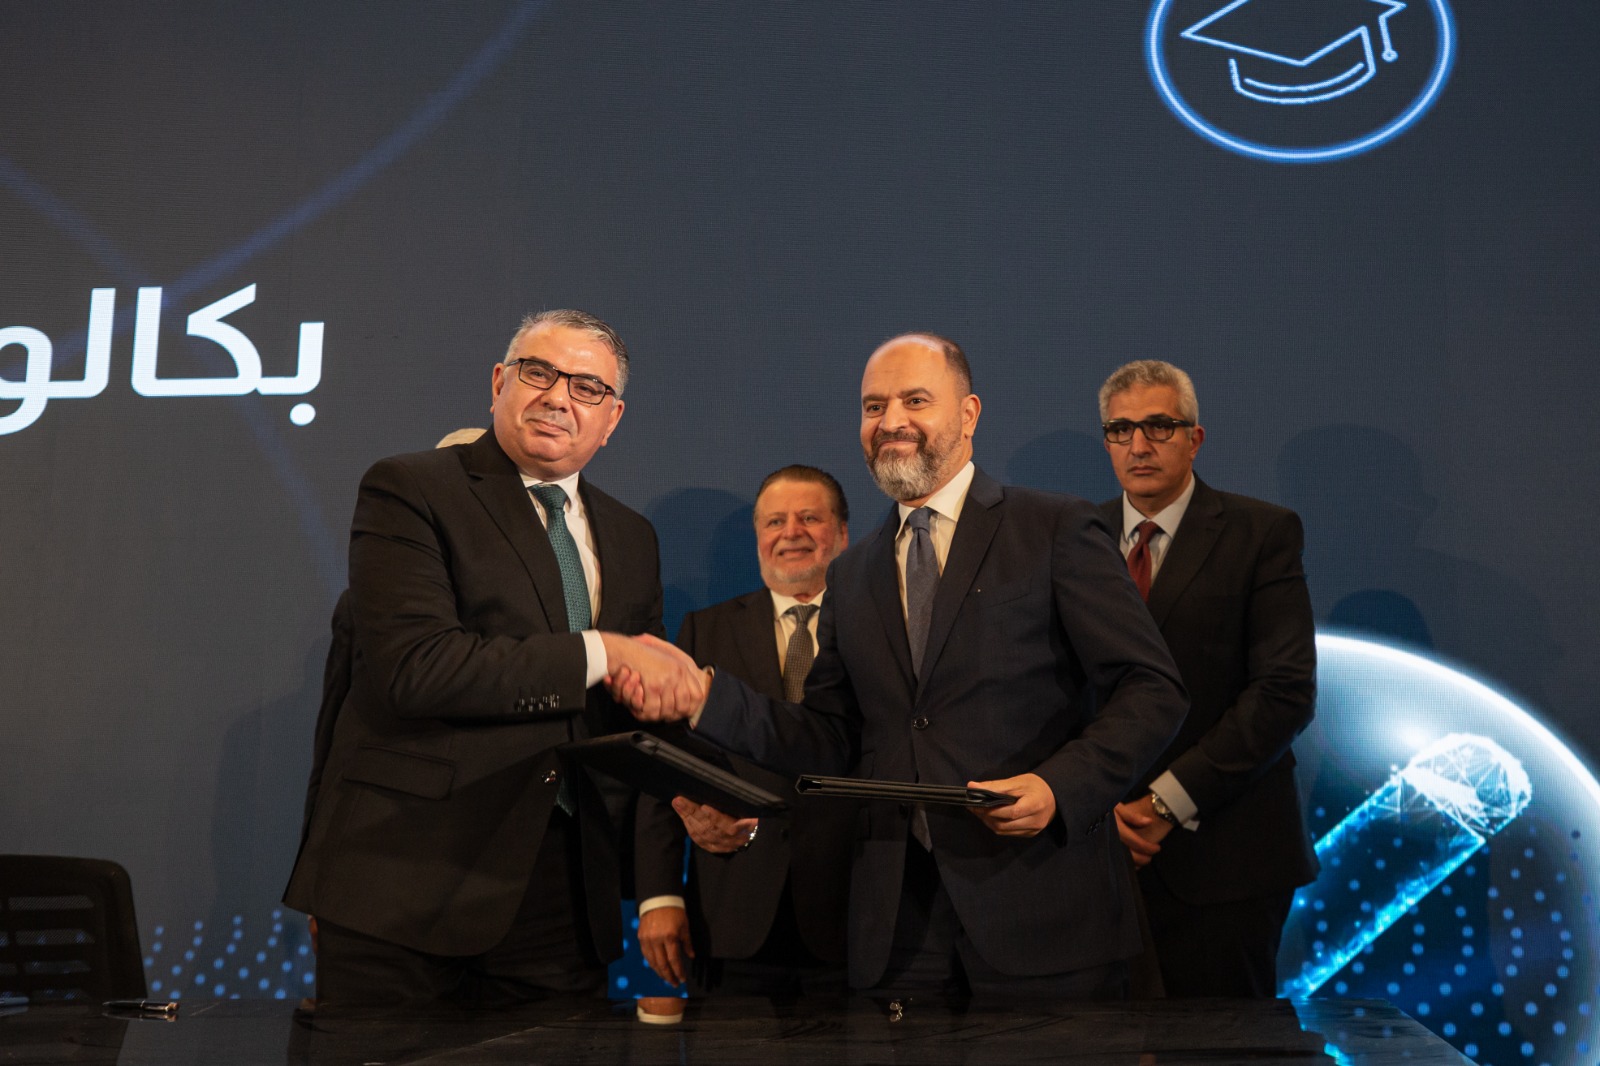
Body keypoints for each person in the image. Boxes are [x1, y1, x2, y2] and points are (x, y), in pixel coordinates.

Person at [616, 333, 1187, 998]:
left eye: (916, 401)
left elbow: (1153, 689)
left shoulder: (1054, 527)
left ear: (969, 415)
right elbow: (830, 735)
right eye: (873, 406)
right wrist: (705, 697)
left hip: (1043, 909)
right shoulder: (853, 572)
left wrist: (1060, 786)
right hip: (897, 929)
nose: (890, 421)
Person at [283, 309, 705, 1007]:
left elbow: (627, 708)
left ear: (612, 418)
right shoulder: (411, 488)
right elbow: (418, 669)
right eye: (539, 373)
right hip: (406, 882)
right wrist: (602, 650)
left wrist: (697, 795)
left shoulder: (632, 537)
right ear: (499, 383)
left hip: (563, 901)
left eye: (587, 388)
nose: (558, 396)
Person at [1097, 359, 1318, 998]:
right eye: (1121, 429)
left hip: (1225, 859)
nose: (1139, 445)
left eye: (1159, 426)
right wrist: (1096, 808)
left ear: (1194, 438)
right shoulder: (1074, 537)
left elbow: (1284, 692)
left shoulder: (1262, 533)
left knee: (1222, 1044)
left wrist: (1164, 804)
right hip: (1098, 855)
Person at [634, 466, 856, 997]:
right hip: (732, 913)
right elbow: (664, 766)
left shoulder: (878, 626)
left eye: (809, 518)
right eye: (774, 521)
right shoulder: (705, 630)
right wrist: (660, 896)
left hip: (857, 912)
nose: (790, 532)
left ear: (843, 533)